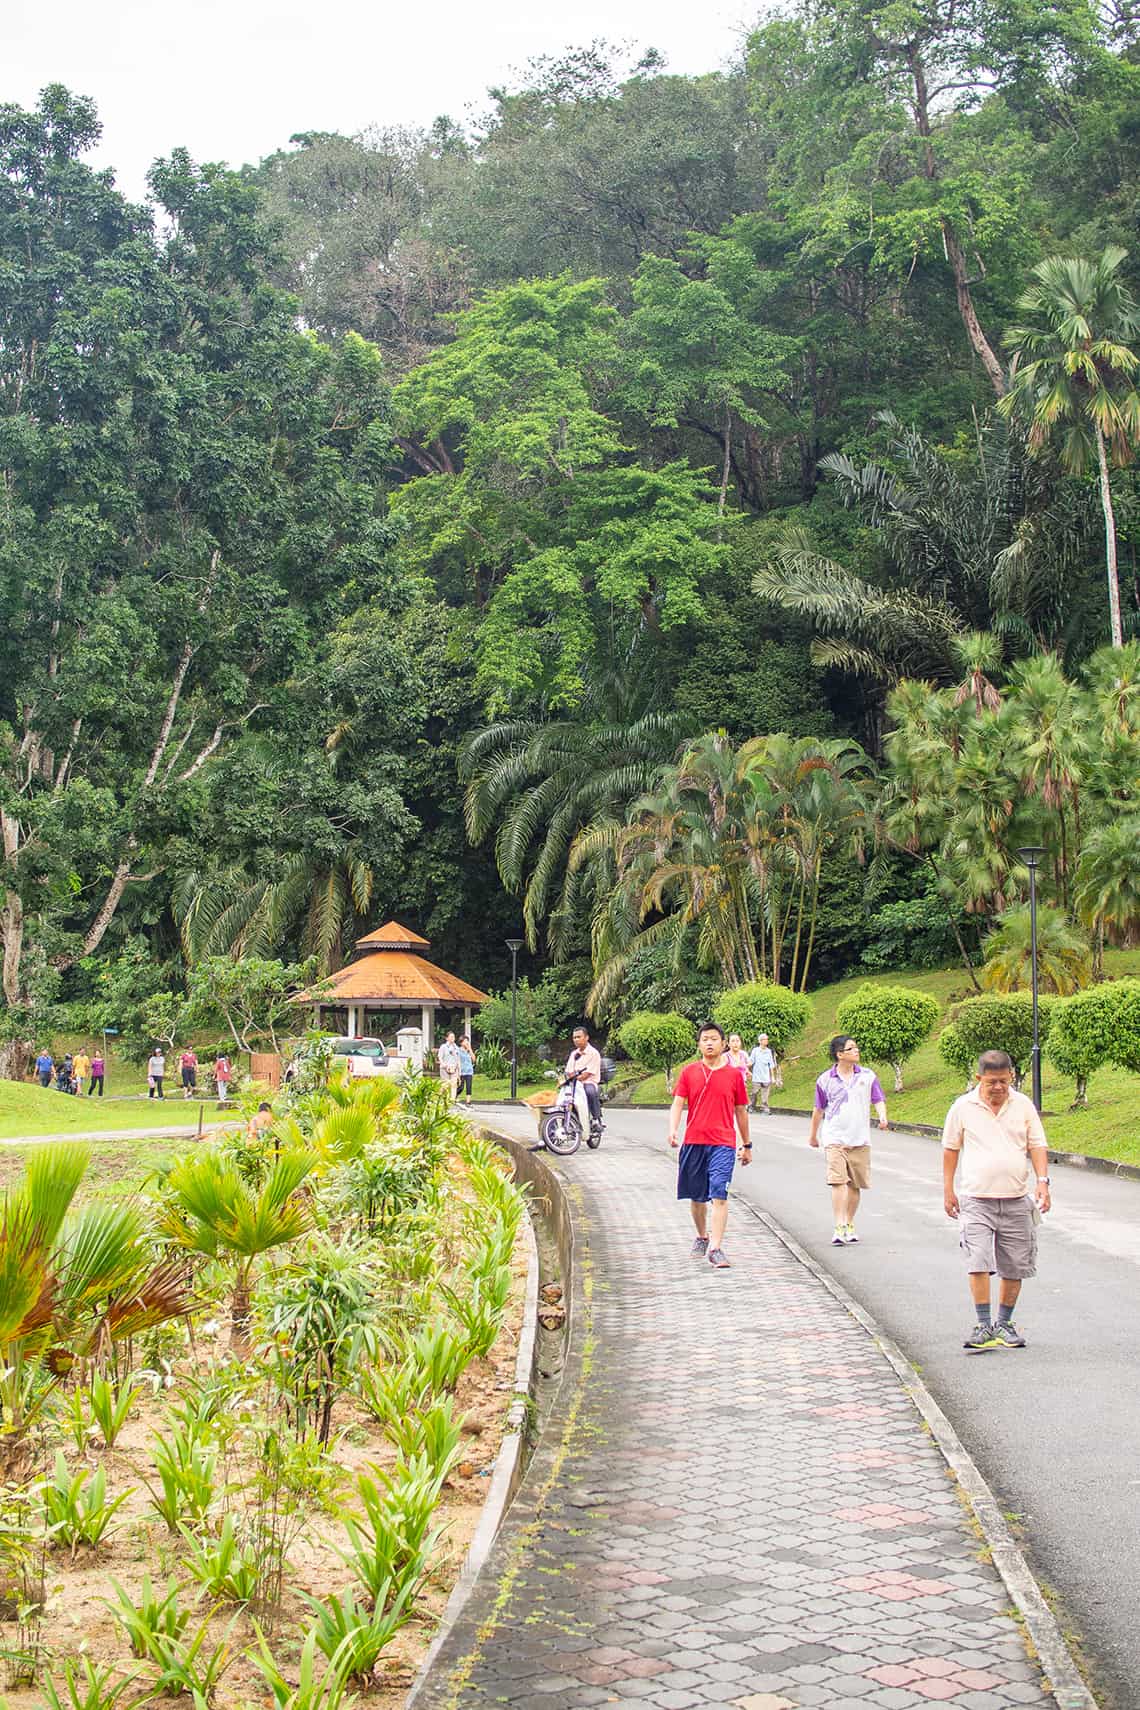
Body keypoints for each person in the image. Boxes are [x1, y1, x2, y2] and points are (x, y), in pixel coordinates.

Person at [942, 1049, 1051, 1353]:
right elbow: (951, 1149)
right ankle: (983, 1324)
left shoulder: (1023, 1105)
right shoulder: (963, 1107)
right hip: (976, 1198)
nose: (998, 1088)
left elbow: (1037, 1144)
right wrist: (948, 1189)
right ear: (979, 1079)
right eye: (992, 1082)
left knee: (1015, 1264)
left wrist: (1043, 1182)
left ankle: (1004, 1323)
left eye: (1004, 1081)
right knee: (978, 1260)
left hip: (1016, 1199)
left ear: (1011, 1077)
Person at [668, 1021, 751, 1270]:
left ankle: (715, 1248)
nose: (710, 1043)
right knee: (697, 1197)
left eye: (714, 1038)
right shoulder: (689, 1072)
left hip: (723, 1143)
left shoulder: (735, 1075)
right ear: (699, 1044)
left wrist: (747, 1144)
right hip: (694, 1141)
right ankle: (702, 1236)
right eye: (705, 1039)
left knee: (719, 1193)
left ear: (724, 1044)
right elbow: (678, 1103)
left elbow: (741, 1111)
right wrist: (673, 1130)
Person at [808, 1035, 888, 1246]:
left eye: (856, 1047)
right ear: (839, 1054)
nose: (856, 1051)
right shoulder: (825, 1080)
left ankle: (849, 1222)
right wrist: (813, 1135)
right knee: (838, 1181)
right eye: (851, 1048)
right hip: (834, 1137)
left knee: (855, 1185)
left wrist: (882, 1117)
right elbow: (818, 1109)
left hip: (860, 1138)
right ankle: (839, 1225)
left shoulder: (868, 1076)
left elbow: (878, 1099)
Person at [565, 1025, 603, 1135]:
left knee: (590, 1092)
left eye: (579, 1037)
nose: (576, 1040)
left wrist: (574, 1077)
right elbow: (568, 1071)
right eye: (574, 1038)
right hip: (574, 1084)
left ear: (586, 1037)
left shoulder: (594, 1053)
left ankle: (596, 1120)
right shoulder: (574, 1054)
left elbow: (586, 1074)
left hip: (588, 1082)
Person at [748, 1033, 776, 1114]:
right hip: (757, 1076)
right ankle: (751, 1106)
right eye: (765, 1039)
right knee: (754, 1093)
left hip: (766, 1077)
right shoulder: (755, 1050)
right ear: (760, 1041)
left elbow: (771, 1064)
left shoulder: (769, 1051)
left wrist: (772, 1077)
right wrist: (746, 1070)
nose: (767, 1041)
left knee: (765, 1094)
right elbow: (751, 1061)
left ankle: (765, 1108)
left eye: (767, 1039)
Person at [437, 1031, 461, 1100]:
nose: (452, 1038)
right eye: (451, 1037)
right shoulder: (443, 1047)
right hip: (445, 1068)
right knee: (445, 1084)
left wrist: (459, 1071)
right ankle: (441, 1097)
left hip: (454, 1068)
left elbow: (458, 1059)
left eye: (453, 1037)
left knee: (454, 1084)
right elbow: (440, 1057)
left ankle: (452, 1099)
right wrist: (445, 1066)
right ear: (447, 1038)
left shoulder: (456, 1048)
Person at [457, 1036, 475, 1104]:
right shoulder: (458, 1050)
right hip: (461, 1071)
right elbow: (457, 1060)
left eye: (467, 1041)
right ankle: (454, 1096)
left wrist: (470, 1050)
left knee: (469, 1086)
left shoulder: (469, 1050)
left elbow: (474, 1059)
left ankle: (468, 1101)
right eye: (465, 1041)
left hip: (469, 1071)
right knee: (461, 1087)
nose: (466, 1042)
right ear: (461, 1043)